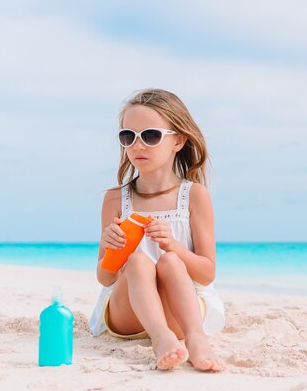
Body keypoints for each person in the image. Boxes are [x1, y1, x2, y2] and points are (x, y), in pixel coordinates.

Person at [88, 88, 226, 372]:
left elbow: (207, 273)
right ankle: (161, 338)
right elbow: (105, 278)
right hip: (127, 313)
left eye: (150, 136)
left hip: (182, 311)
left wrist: (174, 246)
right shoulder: (115, 199)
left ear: (178, 141)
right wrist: (112, 249)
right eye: (128, 136)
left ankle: (196, 338)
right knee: (138, 262)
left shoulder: (195, 196)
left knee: (171, 261)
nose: (138, 146)